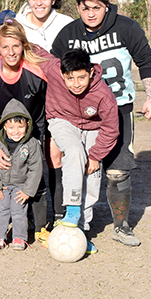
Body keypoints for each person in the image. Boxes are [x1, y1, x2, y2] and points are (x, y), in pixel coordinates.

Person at [52, 0, 151, 247]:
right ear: (78, 7)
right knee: (84, 166)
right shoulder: (68, 34)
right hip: (83, 114)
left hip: (119, 107)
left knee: (118, 171)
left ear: (106, 7)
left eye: (96, 8)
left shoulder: (126, 27)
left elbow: (145, 61)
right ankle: (79, 224)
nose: (90, 14)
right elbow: (53, 70)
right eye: (85, 8)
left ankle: (121, 227)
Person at [36, 48, 119, 254]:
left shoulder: (104, 95)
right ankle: (72, 210)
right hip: (62, 120)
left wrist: (95, 156)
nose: (76, 84)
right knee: (73, 152)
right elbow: (31, 48)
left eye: (81, 77)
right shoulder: (53, 68)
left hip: (93, 127)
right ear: (62, 74)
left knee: (92, 173)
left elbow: (111, 129)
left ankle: (81, 230)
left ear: (91, 72)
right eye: (70, 78)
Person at [0, 20, 48, 245]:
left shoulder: (36, 72)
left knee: (35, 173)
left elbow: (47, 106)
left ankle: (40, 227)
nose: (11, 52)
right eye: (5, 47)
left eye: (15, 46)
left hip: (32, 127)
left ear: (23, 45)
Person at [15, 0, 74, 222]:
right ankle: (30, 214)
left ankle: (60, 213)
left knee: (56, 155)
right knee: (30, 153)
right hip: (30, 99)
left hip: (60, 98)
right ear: (28, 0)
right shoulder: (18, 23)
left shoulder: (67, 23)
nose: (39, 2)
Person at [0, 100, 43, 251]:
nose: (15, 131)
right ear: (4, 126)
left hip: (21, 187)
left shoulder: (31, 144)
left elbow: (35, 168)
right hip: (2, 186)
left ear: (27, 126)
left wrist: (27, 190)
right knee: (1, 210)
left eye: (20, 127)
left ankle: (19, 237)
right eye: (11, 127)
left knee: (19, 211)